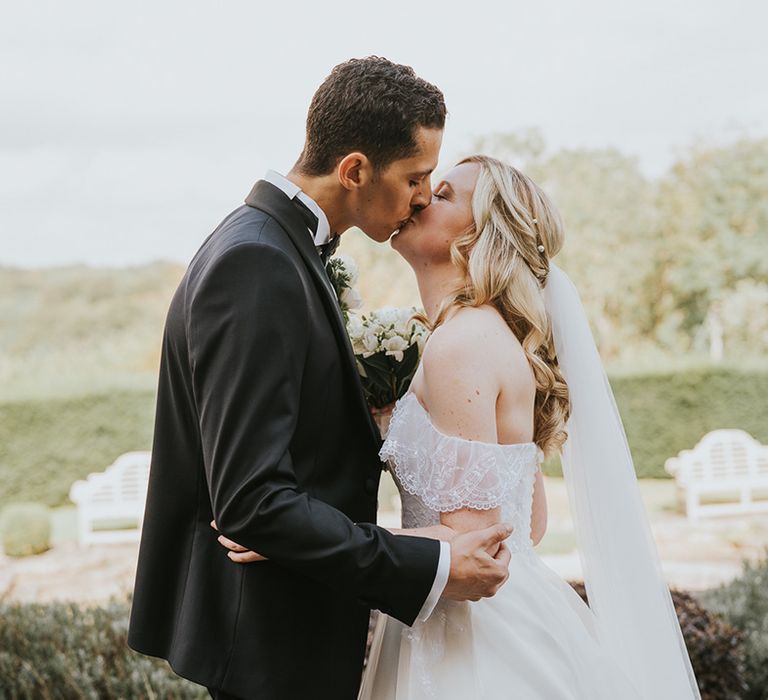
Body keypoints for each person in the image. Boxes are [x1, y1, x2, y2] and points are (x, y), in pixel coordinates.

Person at [222, 156, 702, 699]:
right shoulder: (479, 336)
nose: (421, 197)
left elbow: (476, 543)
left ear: (477, 237)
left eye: (443, 194)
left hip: (473, 644)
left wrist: (298, 539)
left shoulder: (461, 346)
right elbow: (528, 523)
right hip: (499, 615)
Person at [127, 58, 514, 700]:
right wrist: (433, 562)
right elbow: (252, 502)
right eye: (415, 178)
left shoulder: (271, 246)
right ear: (355, 170)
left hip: (290, 635)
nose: (423, 196)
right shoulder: (257, 261)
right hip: (268, 647)